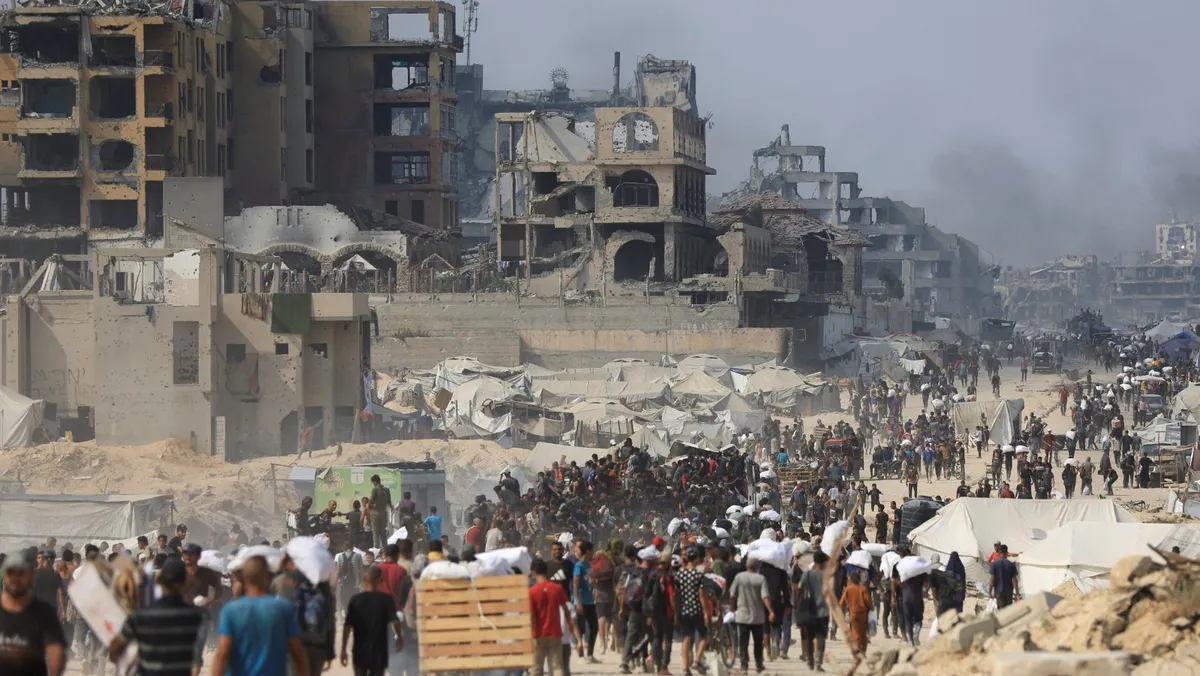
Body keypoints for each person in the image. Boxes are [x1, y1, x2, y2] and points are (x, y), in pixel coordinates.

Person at [211, 556, 310, 676]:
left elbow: (223, 653)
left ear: (244, 578)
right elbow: (297, 650)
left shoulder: (231, 610)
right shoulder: (282, 608)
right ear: (268, 577)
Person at [109, 556, 206, 676]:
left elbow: (114, 652)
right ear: (185, 583)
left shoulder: (139, 616)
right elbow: (196, 658)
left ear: (160, 580)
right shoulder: (196, 617)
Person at [0, 550, 66, 676]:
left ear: (31, 575)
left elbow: (55, 650)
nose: (15, 578)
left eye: (21, 573)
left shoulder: (43, 612)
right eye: (11, 572)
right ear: (4, 575)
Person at [341, 566, 402, 676]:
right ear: (379, 580)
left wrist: (343, 649)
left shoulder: (355, 600)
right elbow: (395, 622)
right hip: (379, 651)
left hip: (360, 651)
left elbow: (347, 626)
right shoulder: (386, 599)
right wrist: (399, 638)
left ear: (364, 579)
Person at [531, 557, 575, 676]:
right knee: (557, 667)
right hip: (555, 633)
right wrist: (570, 625)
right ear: (546, 571)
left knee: (536, 669)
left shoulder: (532, 591)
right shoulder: (557, 588)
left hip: (538, 634)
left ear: (533, 572)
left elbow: (532, 616)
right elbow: (566, 610)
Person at [730, 556, 772, 674]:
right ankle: (759, 664)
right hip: (757, 616)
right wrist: (771, 611)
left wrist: (732, 607)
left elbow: (732, 595)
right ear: (758, 566)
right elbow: (765, 596)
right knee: (758, 642)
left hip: (742, 615)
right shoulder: (761, 578)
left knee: (743, 643)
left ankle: (744, 667)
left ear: (746, 565)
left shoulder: (739, 577)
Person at [674, 547, 707, 676]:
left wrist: (677, 611)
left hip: (683, 610)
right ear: (697, 559)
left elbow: (676, 594)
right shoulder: (698, 575)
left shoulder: (679, 574)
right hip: (696, 610)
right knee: (703, 637)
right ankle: (697, 660)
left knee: (686, 638)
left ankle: (685, 668)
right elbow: (702, 595)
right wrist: (706, 612)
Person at [794, 551, 829, 671]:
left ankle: (810, 661)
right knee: (821, 637)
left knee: (809, 637)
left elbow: (799, 589)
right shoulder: (826, 576)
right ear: (823, 562)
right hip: (823, 612)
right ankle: (818, 662)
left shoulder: (807, 574)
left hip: (809, 611)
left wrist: (799, 604)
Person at [571, 541, 599, 663]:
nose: (593, 552)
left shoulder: (589, 564)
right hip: (581, 601)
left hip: (590, 601)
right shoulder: (579, 566)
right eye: (592, 550)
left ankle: (590, 654)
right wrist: (578, 602)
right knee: (580, 628)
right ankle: (581, 656)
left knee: (594, 627)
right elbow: (575, 585)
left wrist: (595, 588)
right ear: (587, 551)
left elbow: (591, 580)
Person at [839, 571, 873, 664]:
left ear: (851, 580)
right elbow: (868, 601)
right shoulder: (863, 589)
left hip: (853, 613)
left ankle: (858, 653)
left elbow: (841, 603)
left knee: (855, 633)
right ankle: (863, 651)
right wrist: (872, 608)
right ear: (859, 579)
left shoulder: (848, 589)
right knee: (863, 633)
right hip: (863, 614)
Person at [989, 544, 1020, 609]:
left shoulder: (994, 564)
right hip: (1009, 591)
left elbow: (992, 580)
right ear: (1006, 552)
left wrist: (989, 592)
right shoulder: (1011, 564)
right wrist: (1017, 594)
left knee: (1001, 611)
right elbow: (1015, 580)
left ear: (998, 553)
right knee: (1008, 610)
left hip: (999, 591)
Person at [368, 475, 393, 549]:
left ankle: (376, 550)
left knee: (375, 533)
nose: (373, 484)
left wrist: (369, 508)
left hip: (375, 513)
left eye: (373, 482)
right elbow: (389, 503)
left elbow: (371, 500)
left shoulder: (375, 489)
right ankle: (386, 549)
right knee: (383, 533)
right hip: (384, 514)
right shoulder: (387, 490)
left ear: (375, 481)